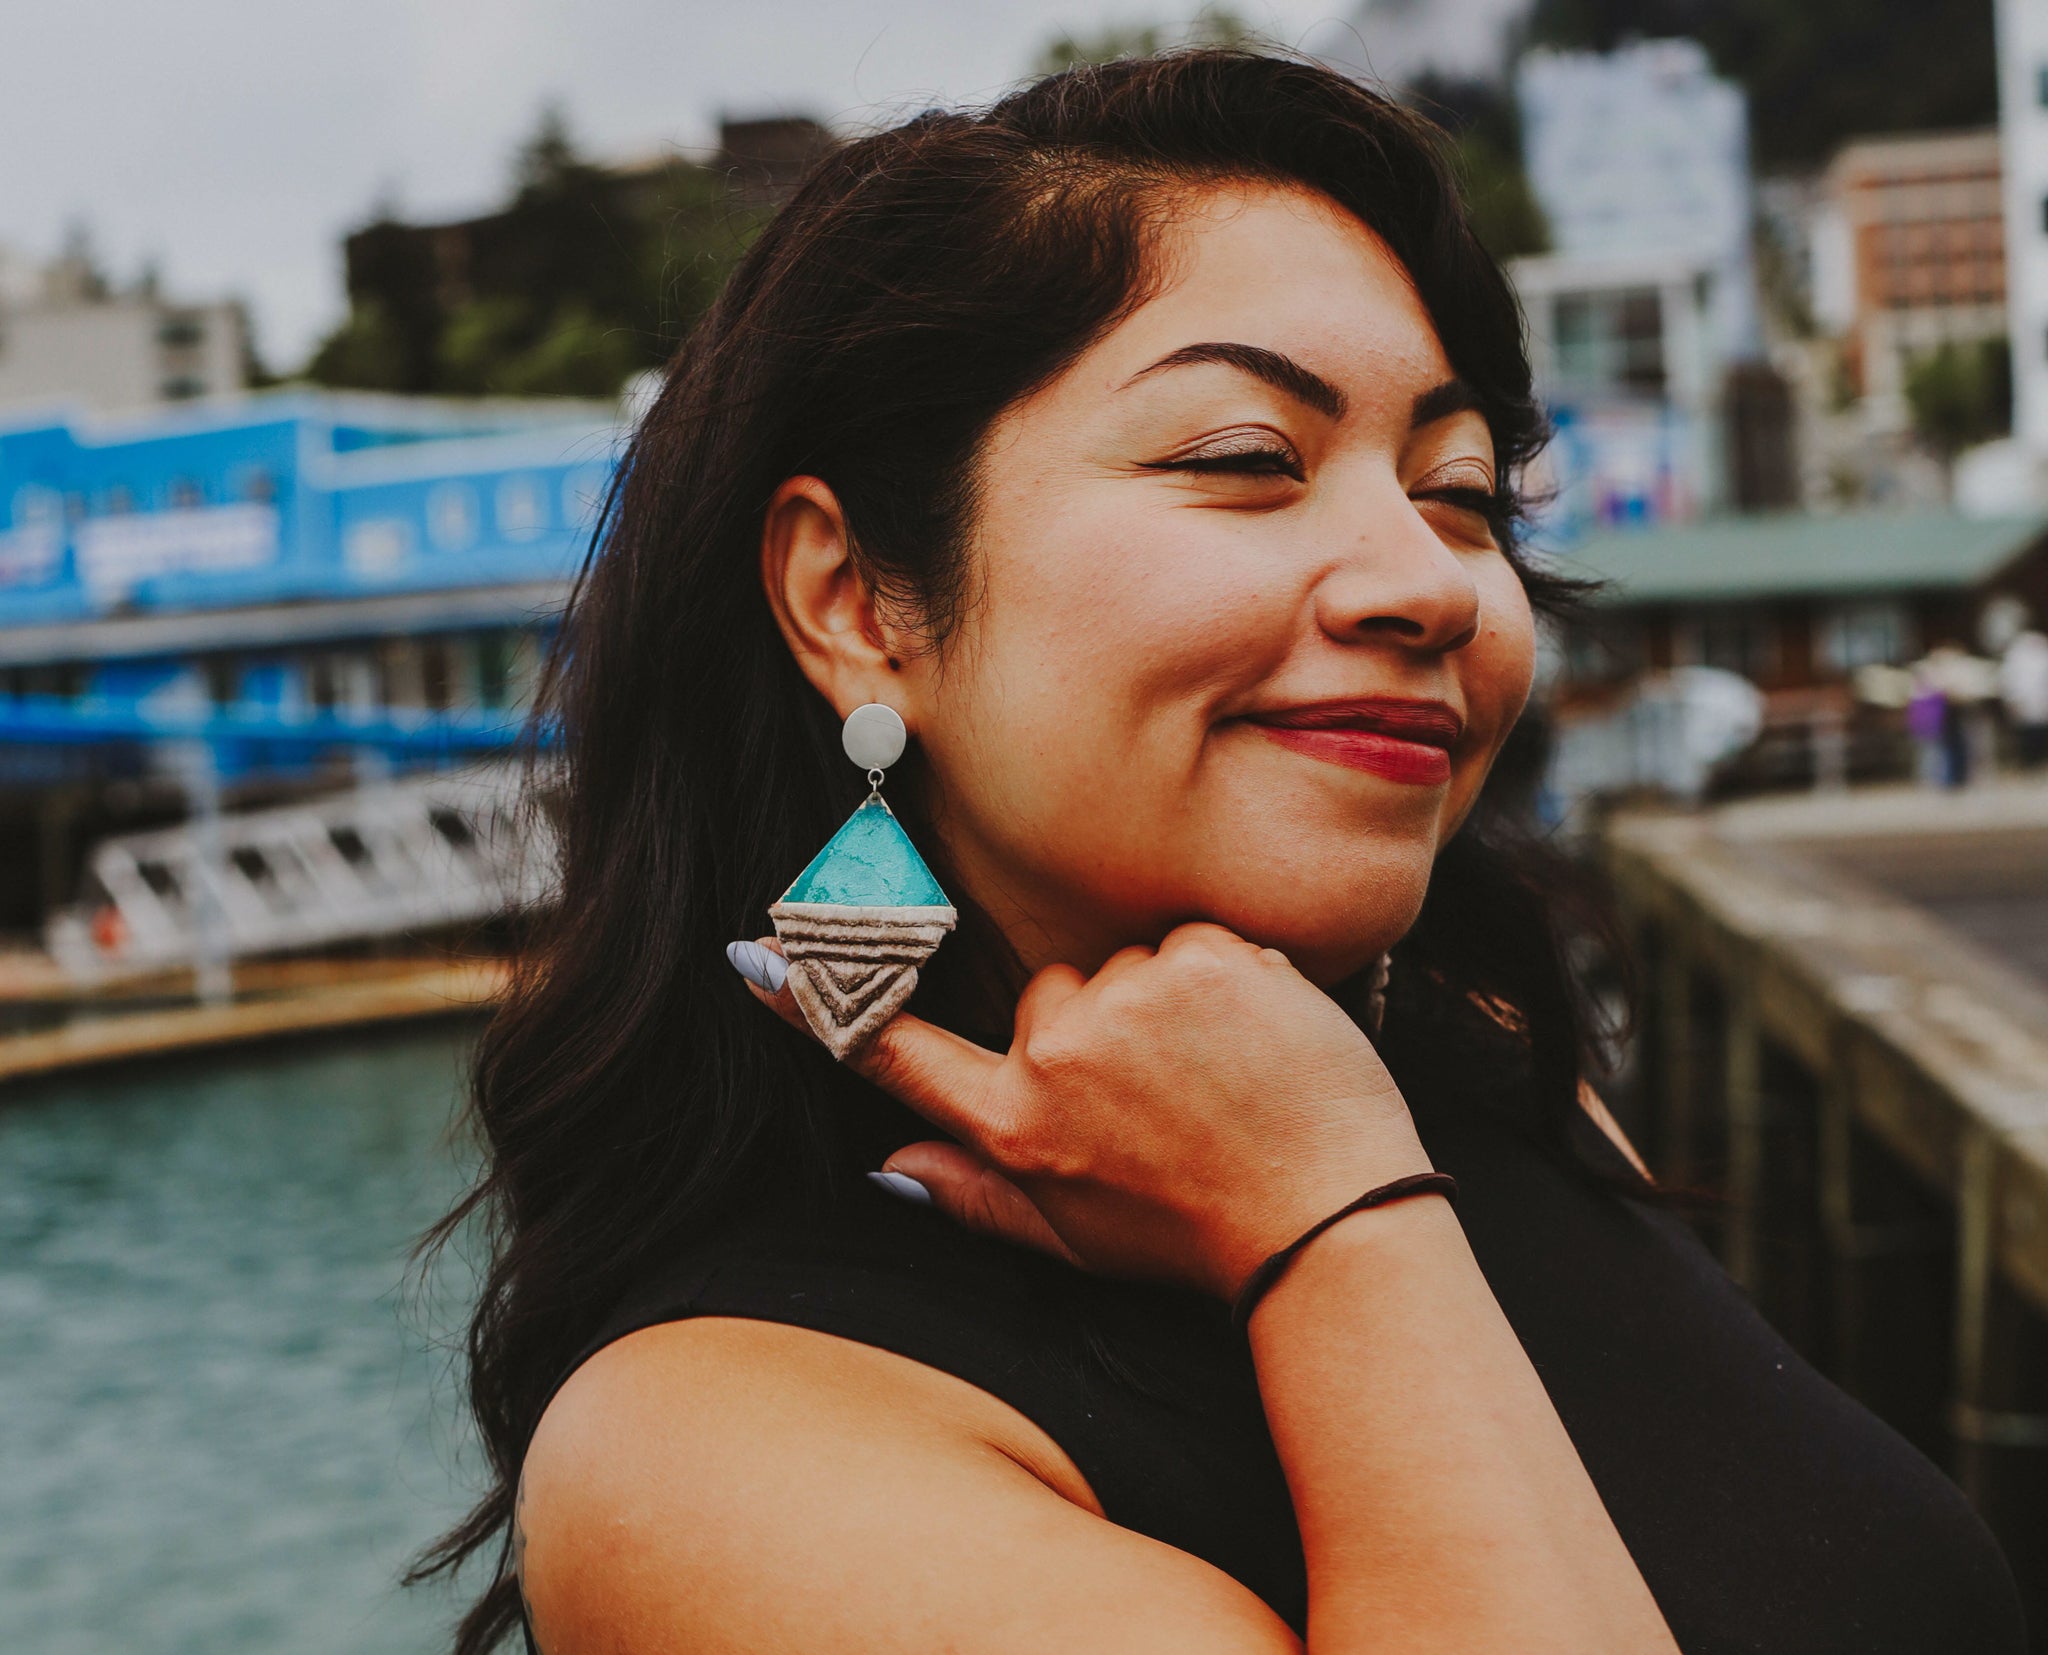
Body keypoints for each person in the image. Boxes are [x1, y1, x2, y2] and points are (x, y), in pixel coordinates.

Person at [416, 53, 2026, 1655]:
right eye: (1246, 458)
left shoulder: (1493, 1068)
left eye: (1461, 490)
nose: (1432, 580)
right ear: (858, 600)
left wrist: (1336, 1160)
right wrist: (1333, 1221)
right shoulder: (713, 1446)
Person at [2001, 627, 2048, 769]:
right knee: (2026, 736)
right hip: (2024, 702)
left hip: (2041, 702)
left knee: (2041, 735)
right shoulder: (2016, 656)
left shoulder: (2043, 655)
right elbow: (2010, 680)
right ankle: (2029, 764)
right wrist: (2012, 700)